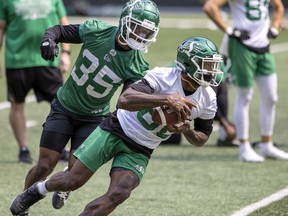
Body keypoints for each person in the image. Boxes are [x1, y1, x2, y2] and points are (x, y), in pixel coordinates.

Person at [10, 36, 224, 216]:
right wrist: (166, 99)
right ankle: (38, 189)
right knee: (72, 180)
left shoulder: (209, 98)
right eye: (207, 64)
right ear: (188, 63)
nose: (212, 70)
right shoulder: (163, 77)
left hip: (141, 148)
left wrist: (187, 130)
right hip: (116, 129)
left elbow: (203, 136)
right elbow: (125, 100)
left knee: (119, 193)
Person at [17, 0, 160, 214]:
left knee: (75, 170)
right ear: (124, 22)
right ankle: (24, 202)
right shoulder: (98, 31)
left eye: (146, 31)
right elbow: (57, 30)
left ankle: (64, 182)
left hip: (94, 117)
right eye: (138, 27)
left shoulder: (137, 64)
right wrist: (49, 40)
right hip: (65, 106)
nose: (141, 35)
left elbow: (127, 100)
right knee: (45, 165)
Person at [203, 0, 288, 162]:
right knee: (245, 96)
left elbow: (278, 6)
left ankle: (267, 144)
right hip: (243, 46)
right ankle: (244, 147)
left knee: (271, 98)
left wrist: (275, 27)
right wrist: (229, 30)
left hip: (264, 46)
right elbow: (210, 6)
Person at [0, 0, 71, 164]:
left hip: (48, 60)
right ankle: (23, 149)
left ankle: (62, 149)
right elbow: (1, 27)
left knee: (62, 104)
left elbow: (64, 24)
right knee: (17, 104)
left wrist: (66, 52)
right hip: (17, 61)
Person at [213, 34, 237, 147]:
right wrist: (225, 122)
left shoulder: (221, 64)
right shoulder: (215, 71)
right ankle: (224, 132)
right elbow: (207, 102)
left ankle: (223, 135)